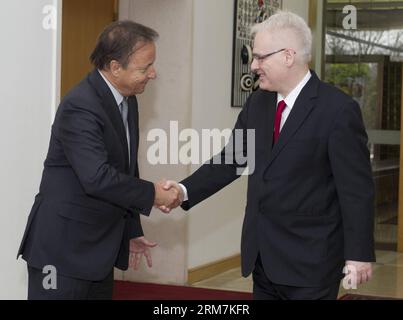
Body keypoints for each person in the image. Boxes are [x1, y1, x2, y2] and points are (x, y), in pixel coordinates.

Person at [161, 11, 375, 300]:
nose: (253, 66)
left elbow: (356, 190)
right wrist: (183, 190)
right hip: (262, 258)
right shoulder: (258, 103)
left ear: (288, 56)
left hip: (311, 262)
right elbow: (231, 160)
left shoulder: (337, 110)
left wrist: (358, 255)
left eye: (261, 57)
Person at [17, 20, 182, 300]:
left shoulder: (128, 99)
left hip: (98, 250)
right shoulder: (80, 105)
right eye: (144, 68)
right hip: (61, 253)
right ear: (115, 67)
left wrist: (130, 229)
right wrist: (152, 194)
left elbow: (126, 167)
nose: (152, 74)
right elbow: (97, 177)